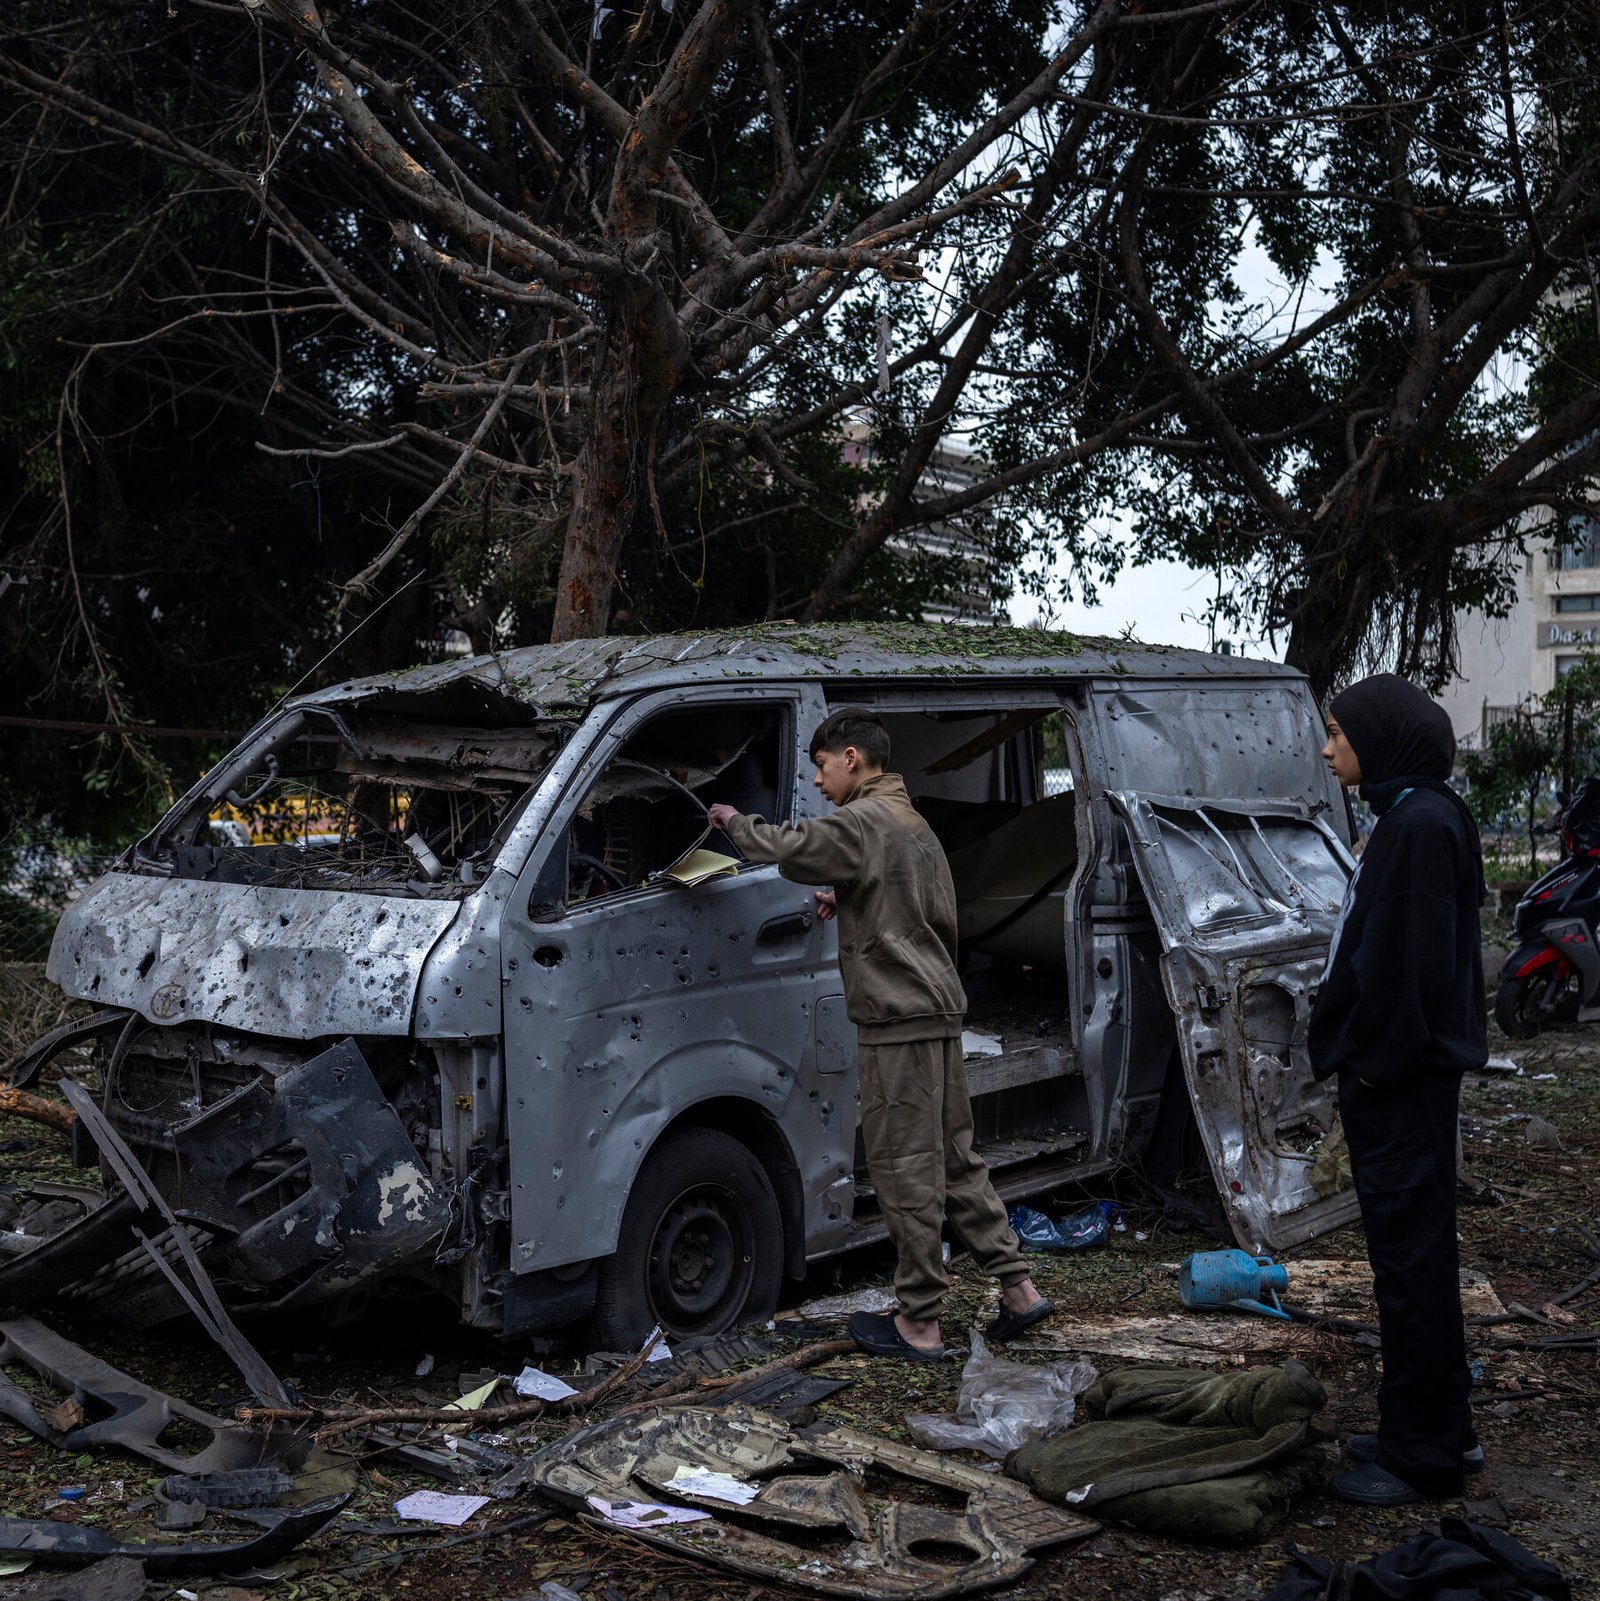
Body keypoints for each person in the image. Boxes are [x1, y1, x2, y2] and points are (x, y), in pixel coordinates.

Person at [706, 706, 1053, 1361]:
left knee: (903, 1167)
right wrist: (852, 897)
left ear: (852, 759)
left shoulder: (861, 820)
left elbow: (794, 848)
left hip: (898, 1022)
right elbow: (918, 904)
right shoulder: (910, 822)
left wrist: (734, 823)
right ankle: (1019, 1290)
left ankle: (919, 1322)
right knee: (954, 1159)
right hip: (937, 1013)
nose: (816, 780)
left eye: (821, 766)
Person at [1309, 673, 1487, 1506]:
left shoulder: (1417, 823)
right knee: (1416, 1261)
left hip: (1402, 1083)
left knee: (1411, 1268)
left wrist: (1376, 1064)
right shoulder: (1418, 812)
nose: (1327, 748)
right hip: (1407, 1079)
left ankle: (1424, 1457)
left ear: (1378, 739)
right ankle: (1433, 1426)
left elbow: (1408, 965)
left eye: (1338, 733)